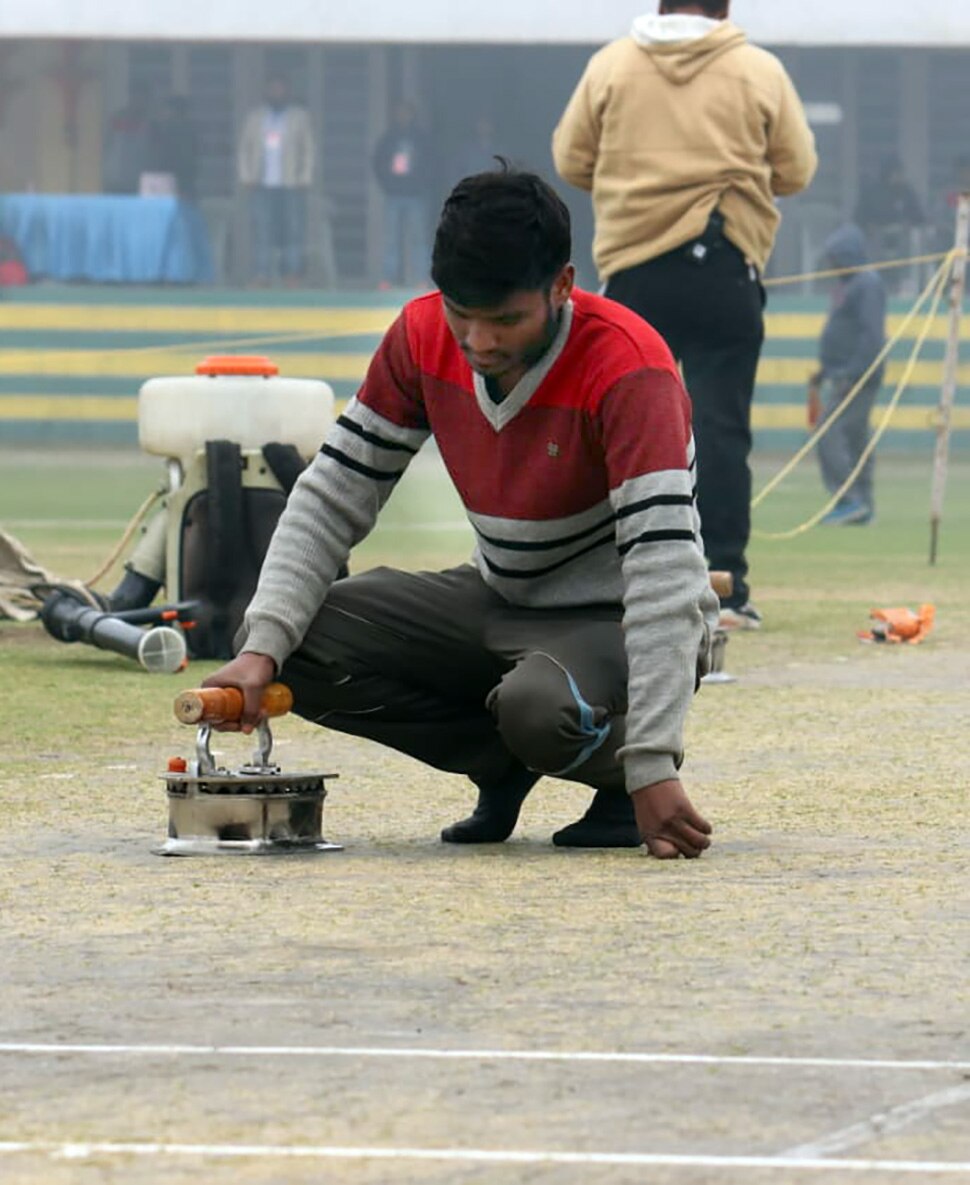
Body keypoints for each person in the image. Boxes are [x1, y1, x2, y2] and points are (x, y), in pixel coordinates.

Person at [201, 164, 719, 858]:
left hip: (613, 615)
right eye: (460, 313)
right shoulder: (420, 334)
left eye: (505, 319)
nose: (477, 341)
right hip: (498, 593)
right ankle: (503, 762)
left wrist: (650, 762)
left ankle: (616, 778)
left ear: (563, 286)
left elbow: (663, 568)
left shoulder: (630, 368)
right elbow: (331, 495)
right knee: (284, 639)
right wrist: (259, 649)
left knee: (538, 709)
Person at [552, 0, 817, 631]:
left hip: (634, 270)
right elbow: (796, 171)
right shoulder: (757, 69)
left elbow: (571, 160)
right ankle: (726, 588)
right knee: (720, 429)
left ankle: (609, 583)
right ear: (724, 8)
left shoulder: (612, 65)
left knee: (615, 432)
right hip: (724, 260)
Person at [808, 225, 886, 526]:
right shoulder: (851, 284)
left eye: (835, 259)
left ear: (847, 255)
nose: (832, 266)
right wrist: (825, 372)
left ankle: (849, 500)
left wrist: (853, 374)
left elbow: (871, 335)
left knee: (828, 431)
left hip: (857, 376)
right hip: (846, 373)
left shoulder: (867, 284)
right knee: (855, 437)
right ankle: (863, 503)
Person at [237, 77, 315, 286]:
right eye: (273, 89)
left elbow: (307, 148)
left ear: (288, 91)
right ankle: (262, 274)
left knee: (293, 230)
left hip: (291, 183)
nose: (276, 93)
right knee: (262, 231)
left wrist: (305, 176)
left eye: (280, 89)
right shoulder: (255, 117)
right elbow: (245, 148)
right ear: (267, 91)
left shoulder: (299, 117)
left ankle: (292, 273)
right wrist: (246, 176)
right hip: (261, 184)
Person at [373, 101, 434, 288]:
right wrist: (387, 184)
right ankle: (388, 278)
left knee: (418, 238)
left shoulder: (421, 138)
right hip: (394, 194)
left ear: (412, 114)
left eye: (406, 112)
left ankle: (421, 278)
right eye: (399, 112)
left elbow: (431, 163)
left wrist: (421, 184)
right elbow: (377, 162)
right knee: (391, 239)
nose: (403, 116)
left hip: (415, 195)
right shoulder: (389, 138)